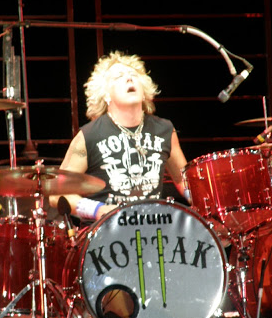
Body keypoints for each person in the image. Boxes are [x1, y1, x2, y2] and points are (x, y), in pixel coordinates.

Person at [50, 51, 189, 223]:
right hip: (105, 231)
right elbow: (56, 194)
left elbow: (184, 181)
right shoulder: (88, 136)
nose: (129, 78)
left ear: (144, 91)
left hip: (153, 228)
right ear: (106, 95)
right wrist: (97, 210)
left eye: (134, 75)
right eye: (119, 77)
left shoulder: (165, 130)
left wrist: (209, 204)